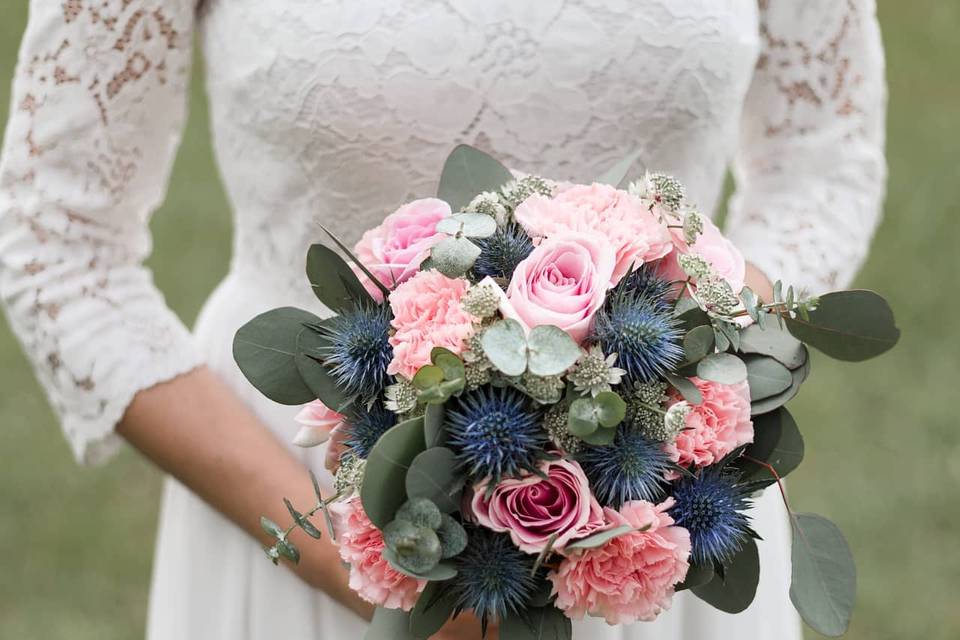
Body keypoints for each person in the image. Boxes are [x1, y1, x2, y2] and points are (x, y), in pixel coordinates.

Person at [0, 1, 885, 638]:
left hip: (655, 507)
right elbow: (57, 242)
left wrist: (711, 377)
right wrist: (372, 571)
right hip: (306, 488)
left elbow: (822, 161)